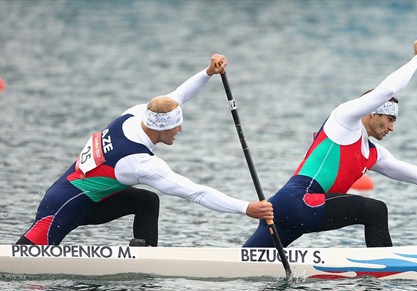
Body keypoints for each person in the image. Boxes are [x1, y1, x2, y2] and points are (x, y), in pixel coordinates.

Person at [244, 38, 417, 248]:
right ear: (373, 112)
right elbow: (386, 90)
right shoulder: (344, 121)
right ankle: (386, 271)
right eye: (389, 119)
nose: (392, 127)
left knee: (246, 261)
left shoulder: (373, 154)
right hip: (299, 201)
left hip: (285, 210)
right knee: (375, 210)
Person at [17, 54, 273, 247]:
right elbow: (196, 193)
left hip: (86, 197)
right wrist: (246, 208)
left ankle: (144, 257)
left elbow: (179, 94)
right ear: (161, 130)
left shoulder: (137, 113)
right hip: (64, 207)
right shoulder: (140, 163)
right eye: (176, 126)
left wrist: (208, 72)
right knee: (24, 262)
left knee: (146, 201)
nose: (180, 130)